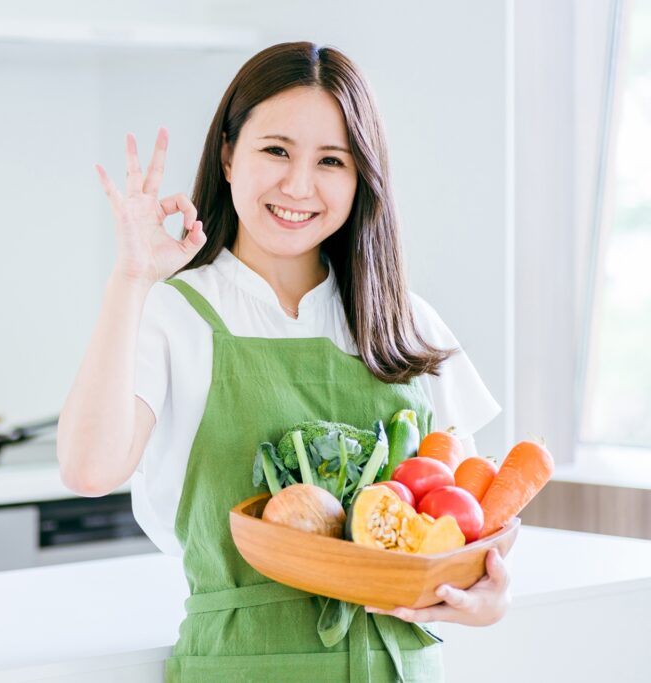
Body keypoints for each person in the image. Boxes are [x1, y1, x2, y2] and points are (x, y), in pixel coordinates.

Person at [56, 41, 510, 682]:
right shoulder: (173, 311)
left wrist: (489, 587)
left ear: (361, 178)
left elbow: (468, 518)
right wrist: (130, 278)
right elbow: (88, 468)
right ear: (227, 154)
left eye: (332, 160)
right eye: (276, 150)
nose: (299, 185)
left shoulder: (403, 322)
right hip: (243, 666)